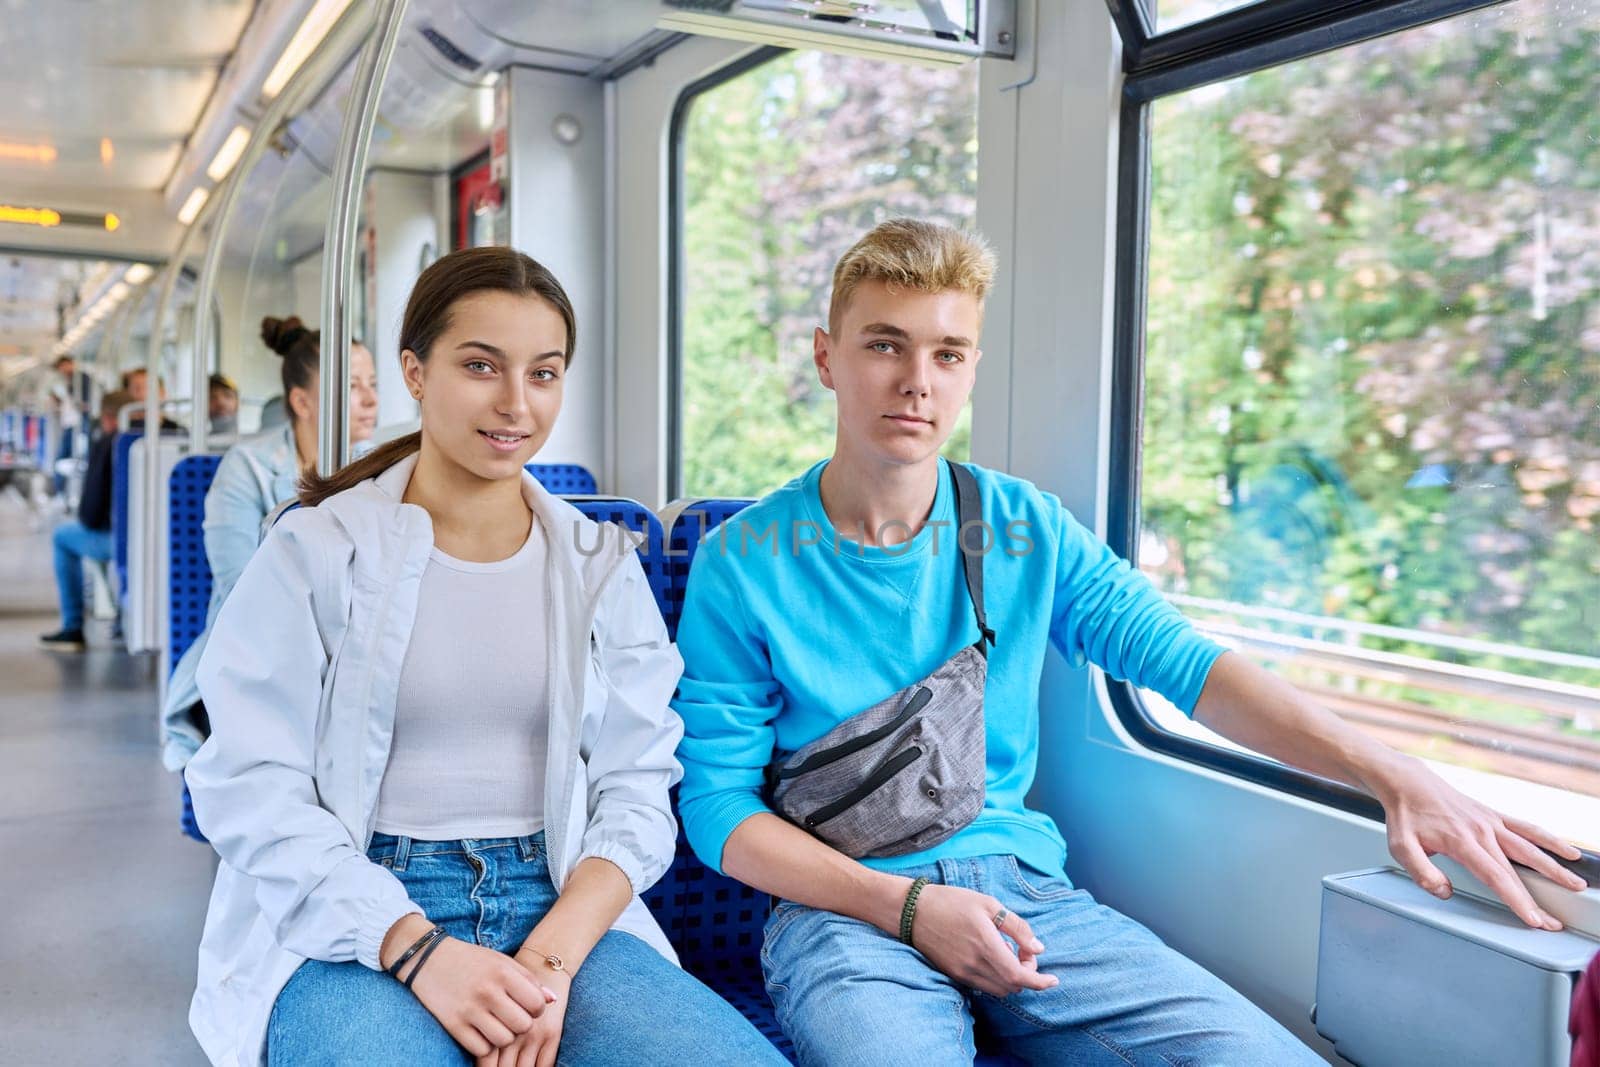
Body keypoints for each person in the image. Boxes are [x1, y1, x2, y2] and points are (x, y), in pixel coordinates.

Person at [671, 218, 1590, 1065]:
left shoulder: (1023, 524)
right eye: (885, 345)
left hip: (1027, 895)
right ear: (829, 359)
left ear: (971, 368)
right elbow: (717, 809)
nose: (917, 379)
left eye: (946, 352)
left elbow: (1189, 667)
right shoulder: (742, 561)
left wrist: (1394, 774)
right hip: (844, 907)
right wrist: (907, 907)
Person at [183, 247, 786, 1067]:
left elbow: (636, 786)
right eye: (480, 366)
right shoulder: (317, 551)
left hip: (559, 898)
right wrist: (415, 948)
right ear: (415, 371)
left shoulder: (599, 563)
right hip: (356, 905)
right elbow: (250, 785)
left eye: (543, 373)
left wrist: (550, 958)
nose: (515, 403)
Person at [159, 319, 380, 771]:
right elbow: (244, 590)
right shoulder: (247, 470)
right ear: (301, 402)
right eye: (353, 386)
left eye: (373, 384)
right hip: (259, 654)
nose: (372, 400)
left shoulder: (382, 470)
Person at [39, 391, 129, 650]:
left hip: (118, 541)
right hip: (174, 544)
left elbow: (90, 513)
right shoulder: (173, 436)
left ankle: (73, 627)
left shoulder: (108, 445)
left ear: (108, 419)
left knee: (62, 537)